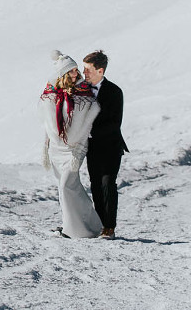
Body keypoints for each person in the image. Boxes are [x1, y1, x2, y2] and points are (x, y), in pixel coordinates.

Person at [39, 50, 102, 238]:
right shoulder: (50, 95)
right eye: (72, 70)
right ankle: (90, 224)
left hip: (74, 148)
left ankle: (74, 230)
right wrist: (45, 148)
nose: (77, 73)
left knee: (66, 186)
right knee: (67, 188)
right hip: (56, 149)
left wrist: (78, 151)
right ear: (63, 74)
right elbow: (47, 125)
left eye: (76, 70)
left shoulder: (84, 95)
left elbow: (86, 125)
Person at [83, 50, 128, 239]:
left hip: (111, 146)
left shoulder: (115, 91)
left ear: (100, 71)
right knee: (95, 184)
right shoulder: (81, 90)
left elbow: (114, 123)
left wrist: (89, 131)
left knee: (107, 183)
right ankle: (100, 224)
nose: (84, 73)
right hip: (92, 148)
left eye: (88, 69)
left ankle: (109, 227)